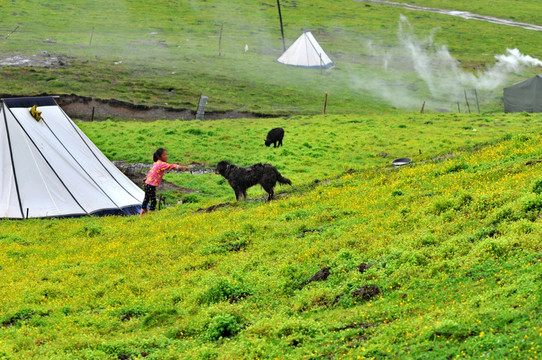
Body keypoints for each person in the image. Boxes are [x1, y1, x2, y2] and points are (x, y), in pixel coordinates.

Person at [140, 148, 188, 216]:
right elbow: (172, 166)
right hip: (151, 185)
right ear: (159, 157)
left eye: (166, 154)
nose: (166, 156)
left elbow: (151, 172)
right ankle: (151, 215)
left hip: (148, 184)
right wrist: (182, 167)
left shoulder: (156, 163)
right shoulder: (161, 164)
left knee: (146, 199)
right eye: (164, 155)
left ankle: (141, 215)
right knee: (153, 201)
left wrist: (146, 178)